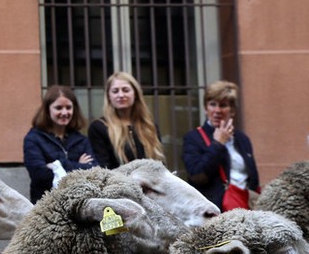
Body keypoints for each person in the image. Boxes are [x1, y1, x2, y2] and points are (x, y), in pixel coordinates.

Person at [182, 80, 259, 211]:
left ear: (232, 110)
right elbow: (197, 176)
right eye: (212, 104)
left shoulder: (242, 138)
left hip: (245, 206)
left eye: (223, 105)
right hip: (215, 210)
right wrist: (218, 144)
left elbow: (253, 178)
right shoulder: (193, 138)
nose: (217, 110)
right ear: (206, 109)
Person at [22, 84, 97, 203]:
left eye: (68, 107)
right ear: (47, 110)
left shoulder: (81, 139)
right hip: (46, 205)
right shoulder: (33, 139)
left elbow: (94, 171)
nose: (64, 112)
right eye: (58, 108)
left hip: (78, 203)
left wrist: (58, 165)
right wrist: (79, 165)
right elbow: (40, 176)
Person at [87, 71, 163, 170]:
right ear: (109, 96)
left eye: (126, 90)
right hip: (118, 184)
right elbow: (104, 168)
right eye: (115, 91)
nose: (121, 95)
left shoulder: (149, 126)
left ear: (135, 94)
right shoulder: (99, 127)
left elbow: (160, 165)